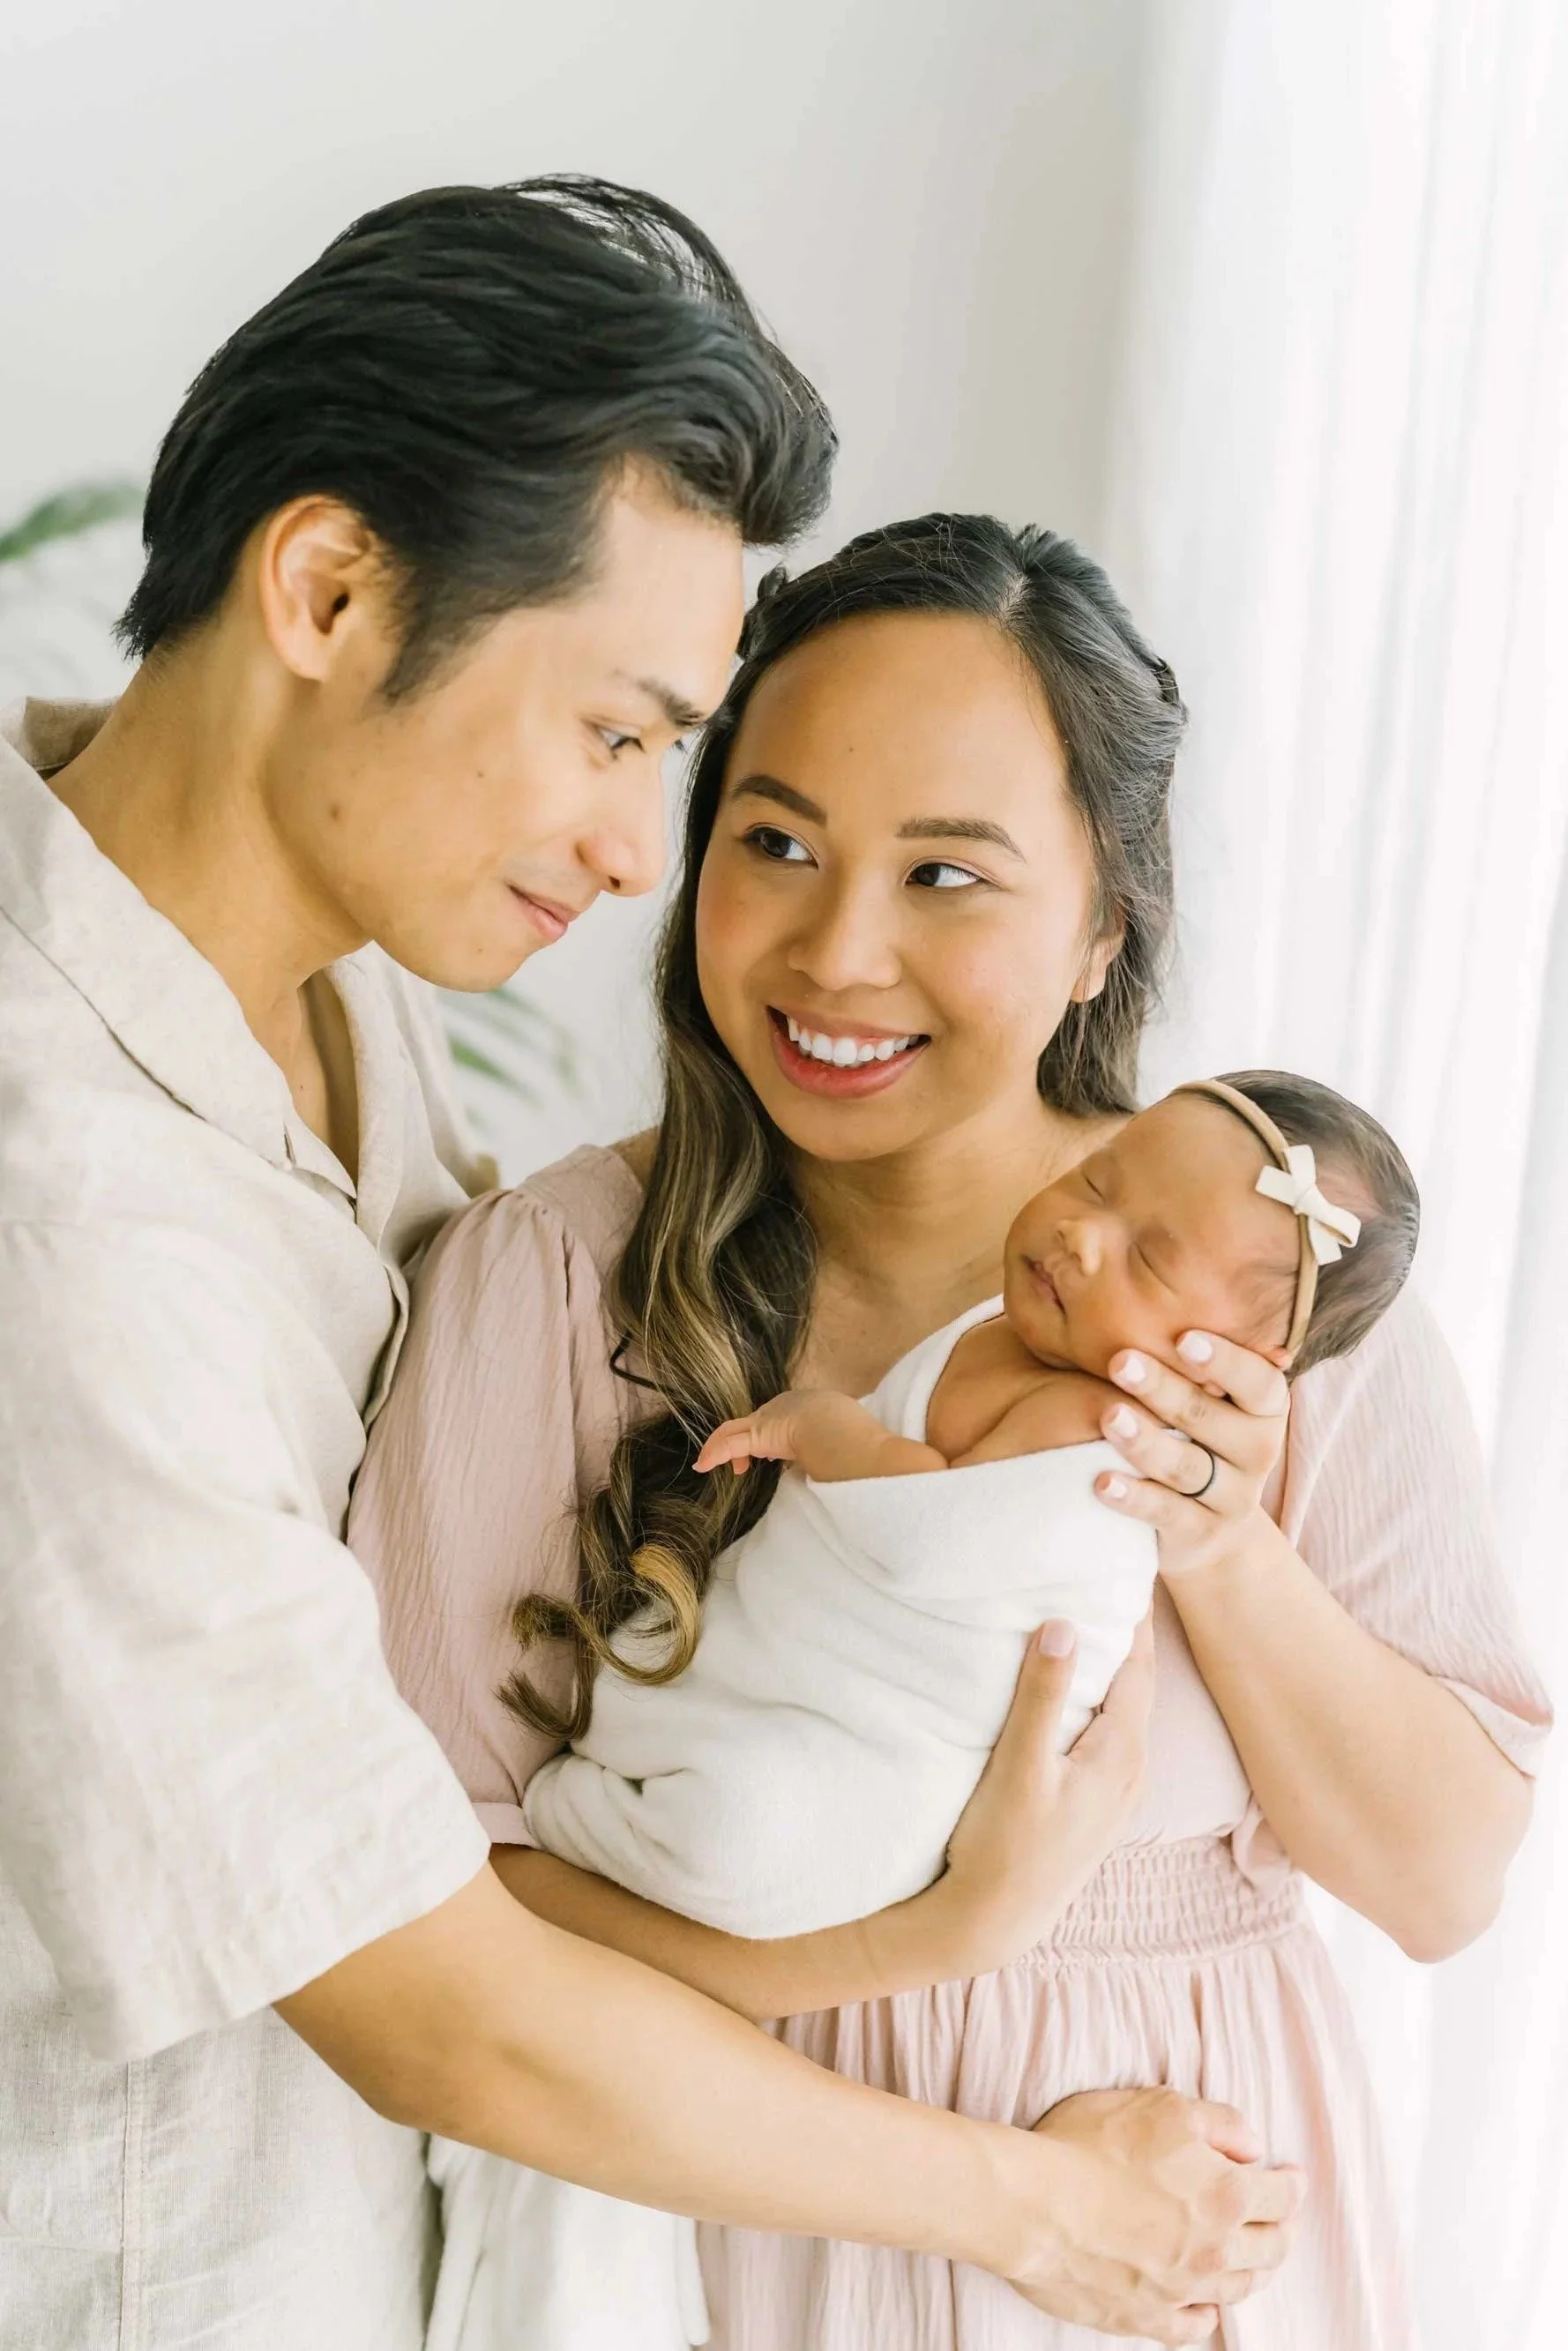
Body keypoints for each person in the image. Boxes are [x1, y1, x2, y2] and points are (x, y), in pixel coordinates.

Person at [0, 185, 1298, 2351]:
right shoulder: (64, 1222)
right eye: (618, 737)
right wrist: (1036, 2209)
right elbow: (439, 2005)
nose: (637, 851)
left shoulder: (317, 973)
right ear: (327, 591)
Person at [350, 517, 1551, 2350]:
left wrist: (1217, 1538)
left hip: (1181, 2264)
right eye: (774, 844)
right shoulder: (553, 1287)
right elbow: (452, 1912)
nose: (838, 952)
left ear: (1100, 932)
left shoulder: (1270, 1308)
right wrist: (901, 1954)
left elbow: (1442, 1878)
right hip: (739, 2236)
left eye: (946, 875)